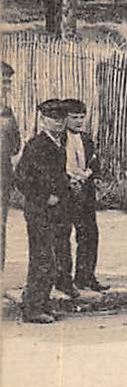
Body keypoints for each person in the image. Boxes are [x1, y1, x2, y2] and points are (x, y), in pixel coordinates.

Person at [13, 100, 71, 322]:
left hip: (55, 210)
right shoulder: (37, 145)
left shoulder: (58, 143)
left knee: (52, 256)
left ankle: (43, 303)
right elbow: (21, 179)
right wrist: (45, 197)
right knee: (42, 257)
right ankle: (32, 309)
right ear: (43, 120)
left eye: (61, 118)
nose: (58, 122)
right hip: (39, 209)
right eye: (53, 118)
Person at [58, 99, 105, 292]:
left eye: (81, 117)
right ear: (65, 119)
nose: (78, 122)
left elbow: (94, 162)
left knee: (89, 234)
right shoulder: (58, 140)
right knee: (62, 236)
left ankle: (85, 277)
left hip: (84, 193)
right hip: (65, 193)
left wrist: (95, 176)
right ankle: (63, 279)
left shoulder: (86, 139)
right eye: (74, 117)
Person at [1, 62, 18, 275]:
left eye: (8, 82)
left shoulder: (7, 112)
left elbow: (15, 145)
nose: (6, 86)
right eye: (3, 81)